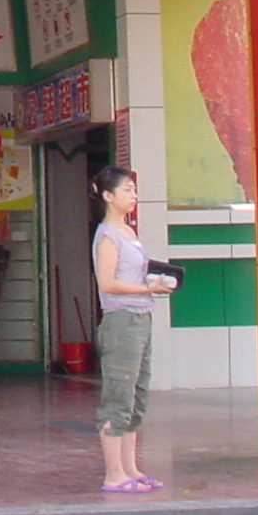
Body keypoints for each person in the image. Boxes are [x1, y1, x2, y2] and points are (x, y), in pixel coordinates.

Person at [90, 166, 173, 493]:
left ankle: (130, 469)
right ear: (108, 196)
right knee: (119, 394)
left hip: (141, 317)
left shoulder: (128, 232)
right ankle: (114, 474)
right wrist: (147, 289)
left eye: (134, 189)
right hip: (121, 319)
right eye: (127, 190)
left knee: (137, 394)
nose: (134, 195)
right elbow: (108, 283)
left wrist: (155, 283)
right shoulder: (107, 236)